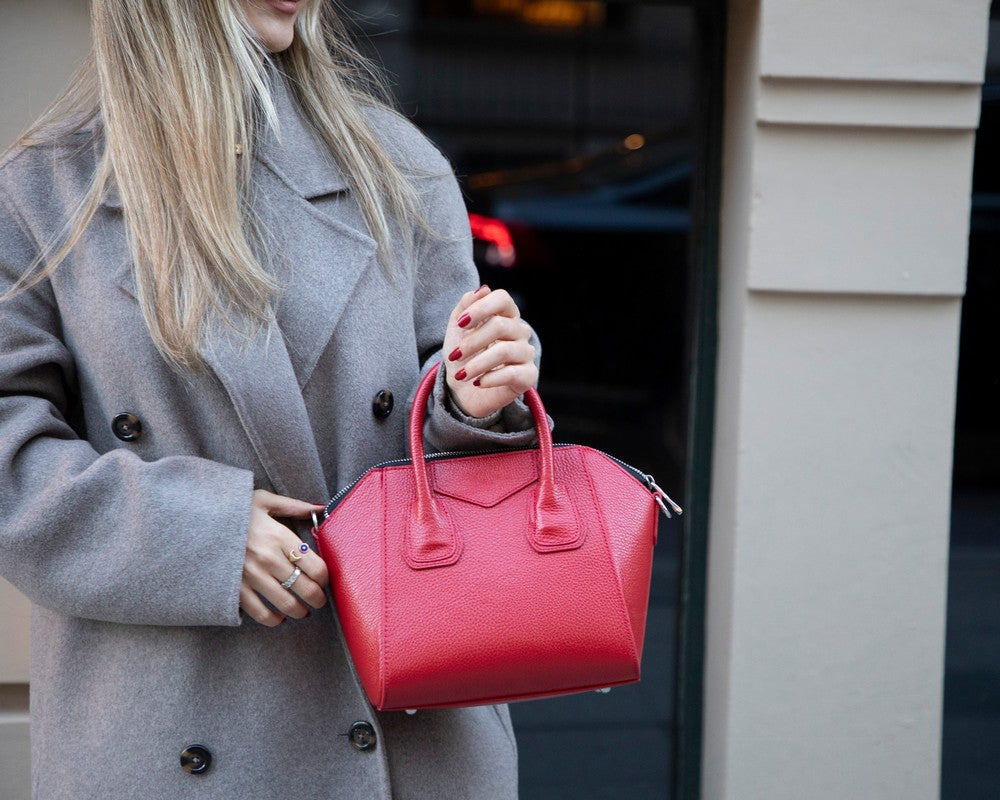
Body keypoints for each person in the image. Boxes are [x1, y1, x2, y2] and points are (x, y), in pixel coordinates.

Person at [0, 1, 542, 797]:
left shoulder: (395, 164)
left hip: (409, 730)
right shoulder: (43, 192)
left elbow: (450, 420)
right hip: (168, 728)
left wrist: (476, 397)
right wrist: (203, 536)